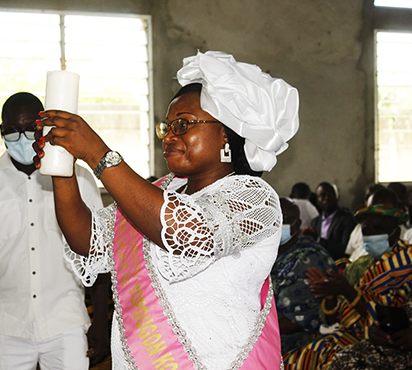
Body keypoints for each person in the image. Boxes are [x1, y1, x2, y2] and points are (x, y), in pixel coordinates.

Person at [34, 51, 300, 368]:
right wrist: (62, 168)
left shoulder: (254, 198)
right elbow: (87, 240)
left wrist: (98, 155)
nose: (170, 135)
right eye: (168, 126)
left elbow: (187, 230)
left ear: (226, 132)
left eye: (183, 124)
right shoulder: (160, 192)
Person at [0, 92, 108, 370]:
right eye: (12, 130)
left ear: (44, 129)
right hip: (3, 324)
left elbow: (97, 257)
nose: (21, 137)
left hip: (65, 320)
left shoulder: (79, 180)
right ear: (2, 131)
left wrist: (100, 322)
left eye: (29, 129)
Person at [283, 191, 412, 369]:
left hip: (384, 343)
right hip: (349, 334)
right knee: (294, 360)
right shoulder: (361, 266)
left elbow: (384, 319)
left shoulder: (406, 262)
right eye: (367, 231)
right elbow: (333, 319)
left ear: (396, 232)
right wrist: (331, 298)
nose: (372, 235)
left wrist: (347, 291)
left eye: (379, 230)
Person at [272, 198, 337, 354]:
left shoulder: (307, 259)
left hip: (297, 346)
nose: (279, 222)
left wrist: (252, 332)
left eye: (285, 218)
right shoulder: (270, 252)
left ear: (298, 223)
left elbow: (295, 319)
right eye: (273, 217)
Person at [310, 182, 356, 261]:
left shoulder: (346, 219)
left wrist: (318, 240)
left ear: (337, 197)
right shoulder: (315, 222)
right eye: (323, 195)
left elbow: (345, 249)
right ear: (317, 200)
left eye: (331, 195)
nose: (327, 198)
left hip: (337, 264)